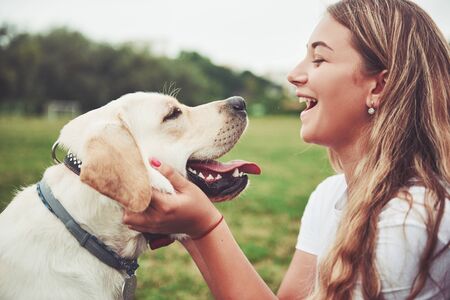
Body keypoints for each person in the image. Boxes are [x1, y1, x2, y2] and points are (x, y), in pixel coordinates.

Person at [123, 0, 450, 298]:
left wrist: (205, 227)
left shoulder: (408, 222)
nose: (294, 75)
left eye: (319, 59)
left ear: (379, 86)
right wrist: (189, 229)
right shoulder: (331, 196)